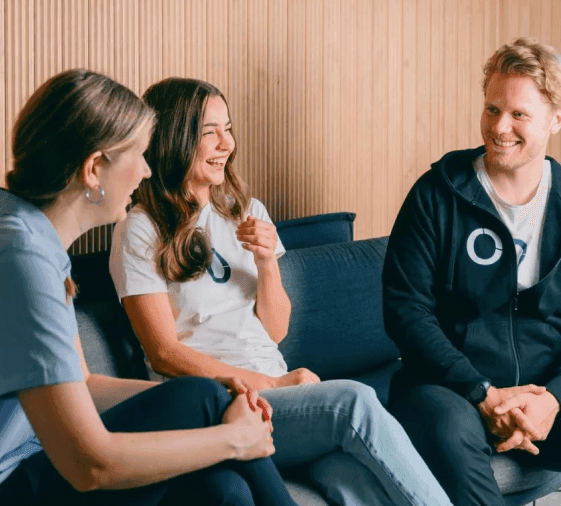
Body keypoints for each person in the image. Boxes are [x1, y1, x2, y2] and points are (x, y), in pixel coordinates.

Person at [109, 77, 453, 506]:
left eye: (227, 129)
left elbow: (275, 330)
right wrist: (273, 382)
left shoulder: (245, 211)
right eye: (210, 132)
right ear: (175, 140)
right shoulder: (141, 228)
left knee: (350, 478)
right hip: (218, 403)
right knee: (354, 401)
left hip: (276, 392)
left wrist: (267, 262)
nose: (227, 144)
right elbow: (163, 352)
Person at [0, 69, 299, 506]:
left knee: (222, 485)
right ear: (94, 169)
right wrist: (235, 439)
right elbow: (89, 466)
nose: (146, 171)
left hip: (41, 458)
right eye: (139, 155)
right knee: (203, 398)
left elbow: (84, 384)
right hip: (15, 477)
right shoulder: (23, 258)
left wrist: (223, 396)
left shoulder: (35, 238)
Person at [383, 37, 561, 506]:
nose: (499, 127)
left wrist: (553, 399)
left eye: (519, 114)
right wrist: (482, 393)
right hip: (446, 390)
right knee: (447, 432)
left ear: (556, 119)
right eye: (492, 109)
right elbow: (406, 312)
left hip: (543, 397)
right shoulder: (436, 196)